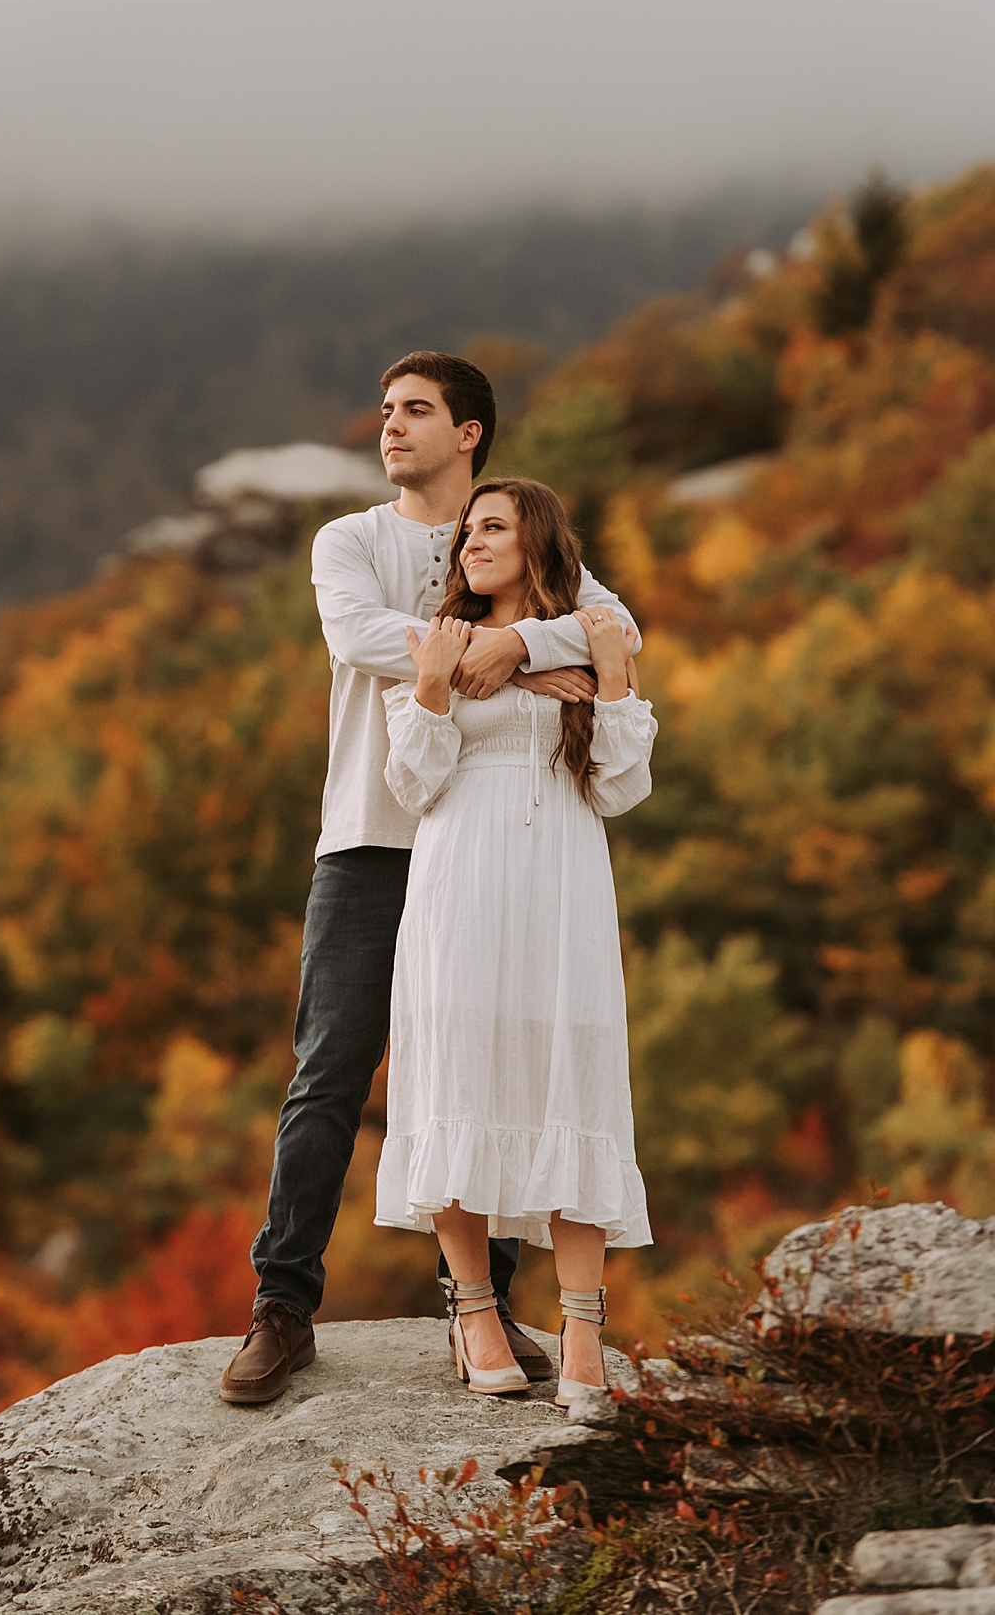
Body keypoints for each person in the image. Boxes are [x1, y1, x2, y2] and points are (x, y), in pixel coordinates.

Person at [219, 350, 640, 1407]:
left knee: (493, 1059)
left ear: (471, 432)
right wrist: (492, 652)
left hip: (500, 843)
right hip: (374, 832)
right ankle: (283, 1306)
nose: (389, 426)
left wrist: (519, 639)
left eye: (415, 411)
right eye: (385, 410)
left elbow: (617, 630)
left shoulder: (515, 529)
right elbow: (358, 636)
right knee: (331, 1071)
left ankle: (478, 1314)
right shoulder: (351, 538)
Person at [377, 479, 654, 1402]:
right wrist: (431, 687)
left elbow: (620, 789)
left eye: (491, 527)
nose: (470, 544)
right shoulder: (434, 642)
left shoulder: (599, 628)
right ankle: (475, 1311)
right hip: (461, 879)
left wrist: (603, 680)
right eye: (465, 534)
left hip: (564, 883)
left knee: (570, 1080)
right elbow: (415, 784)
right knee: (460, 1074)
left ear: (537, 540)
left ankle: (583, 1328)